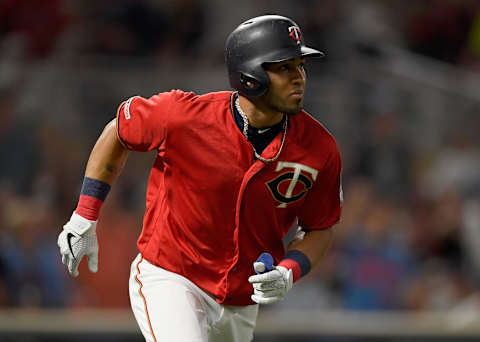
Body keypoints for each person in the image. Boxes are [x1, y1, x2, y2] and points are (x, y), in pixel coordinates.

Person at [57, 14, 343, 342]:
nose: (299, 78)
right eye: (284, 67)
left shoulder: (320, 148)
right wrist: (84, 217)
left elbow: (320, 228)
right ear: (250, 75)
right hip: (171, 277)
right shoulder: (185, 117)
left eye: (300, 66)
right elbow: (119, 132)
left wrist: (288, 272)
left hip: (239, 301)